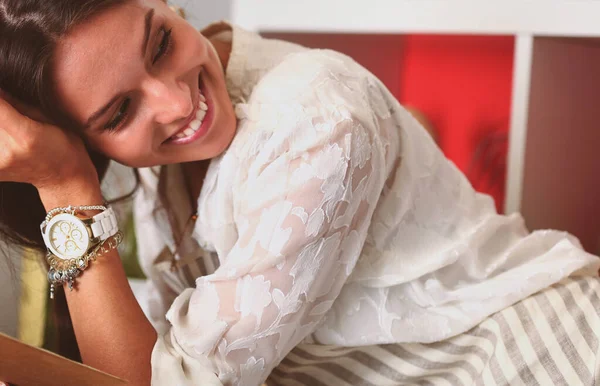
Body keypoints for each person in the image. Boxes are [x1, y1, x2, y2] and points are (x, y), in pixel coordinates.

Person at [1, 1, 599, 385]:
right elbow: (161, 355)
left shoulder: (317, 121)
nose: (177, 102)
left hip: (542, 360)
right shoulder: (177, 158)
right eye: (121, 111)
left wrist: (65, 184)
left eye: (160, 44)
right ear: (84, 139)